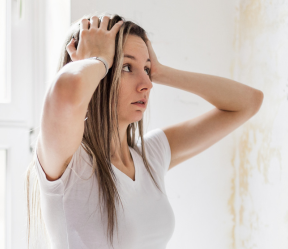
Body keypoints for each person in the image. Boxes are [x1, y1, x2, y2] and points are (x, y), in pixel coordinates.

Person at [25, 14, 263, 249]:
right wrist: (98, 60)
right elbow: (67, 92)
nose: (146, 84)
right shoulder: (69, 161)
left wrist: (160, 72)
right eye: (126, 67)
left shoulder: (150, 156)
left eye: (146, 70)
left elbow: (249, 102)